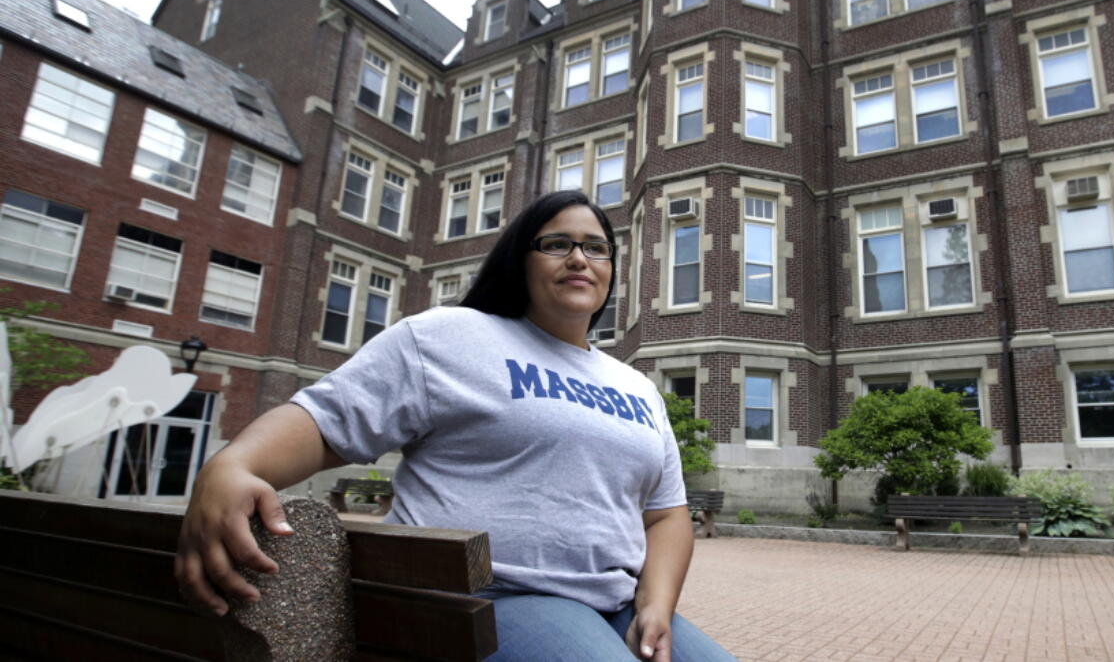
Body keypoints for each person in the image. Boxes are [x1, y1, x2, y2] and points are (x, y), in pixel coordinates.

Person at [175, 190, 735, 662]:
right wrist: (232, 465)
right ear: (521, 258)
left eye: (596, 248)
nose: (579, 259)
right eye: (557, 244)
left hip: (617, 604)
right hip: (490, 597)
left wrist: (656, 605)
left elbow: (666, 516)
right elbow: (325, 423)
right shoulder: (448, 337)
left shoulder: (636, 386)